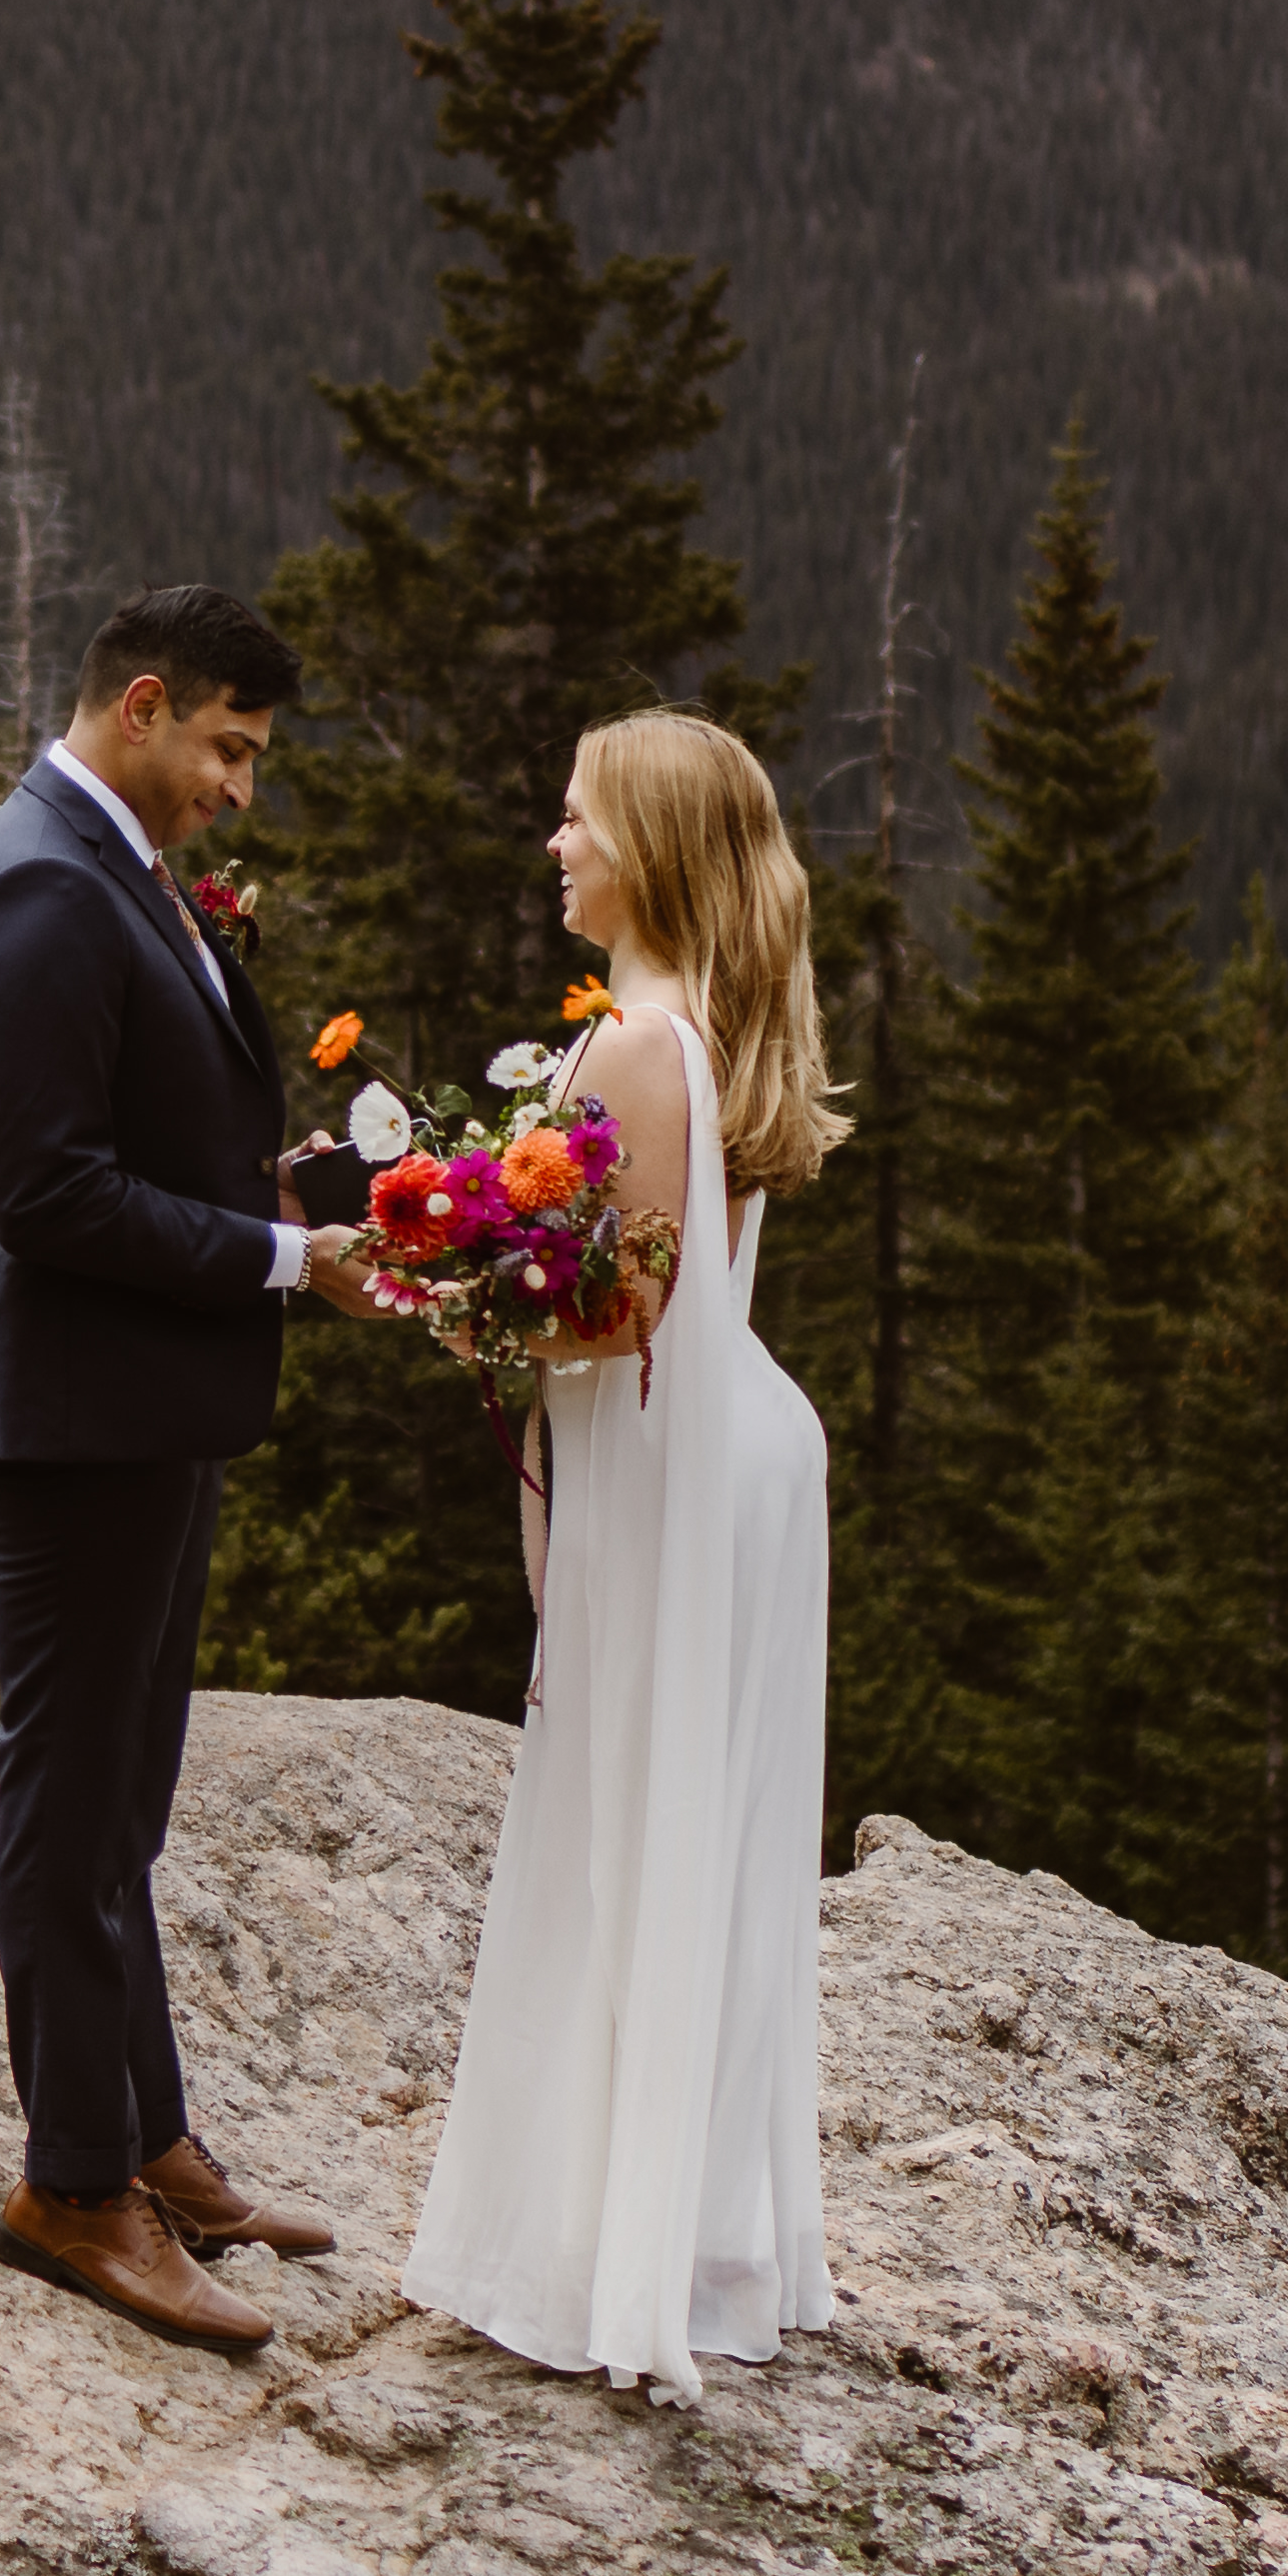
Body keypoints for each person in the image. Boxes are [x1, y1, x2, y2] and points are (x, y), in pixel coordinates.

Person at [0, 587, 380, 2355]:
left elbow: (129, 1129)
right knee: (69, 1794)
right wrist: (281, 1267)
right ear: (141, 705)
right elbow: (43, 1196)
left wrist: (272, 1190)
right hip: (70, 1408)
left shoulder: (111, 862)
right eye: (230, 750)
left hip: (143, 1398)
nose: (241, 792)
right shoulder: (40, 883)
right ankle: (71, 2187)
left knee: (127, 1791)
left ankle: (149, 2134)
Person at [401, 709, 840, 2397]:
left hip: (680, 1454)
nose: (555, 843)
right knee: (693, 1834)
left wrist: (459, 1284)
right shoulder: (700, 1030)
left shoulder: (648, 1048)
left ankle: (623, 2252)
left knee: (642, 1823)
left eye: (576, 817)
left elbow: (623, 1311)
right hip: (731, 1450)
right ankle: (682, 2223)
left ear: (647, 846)